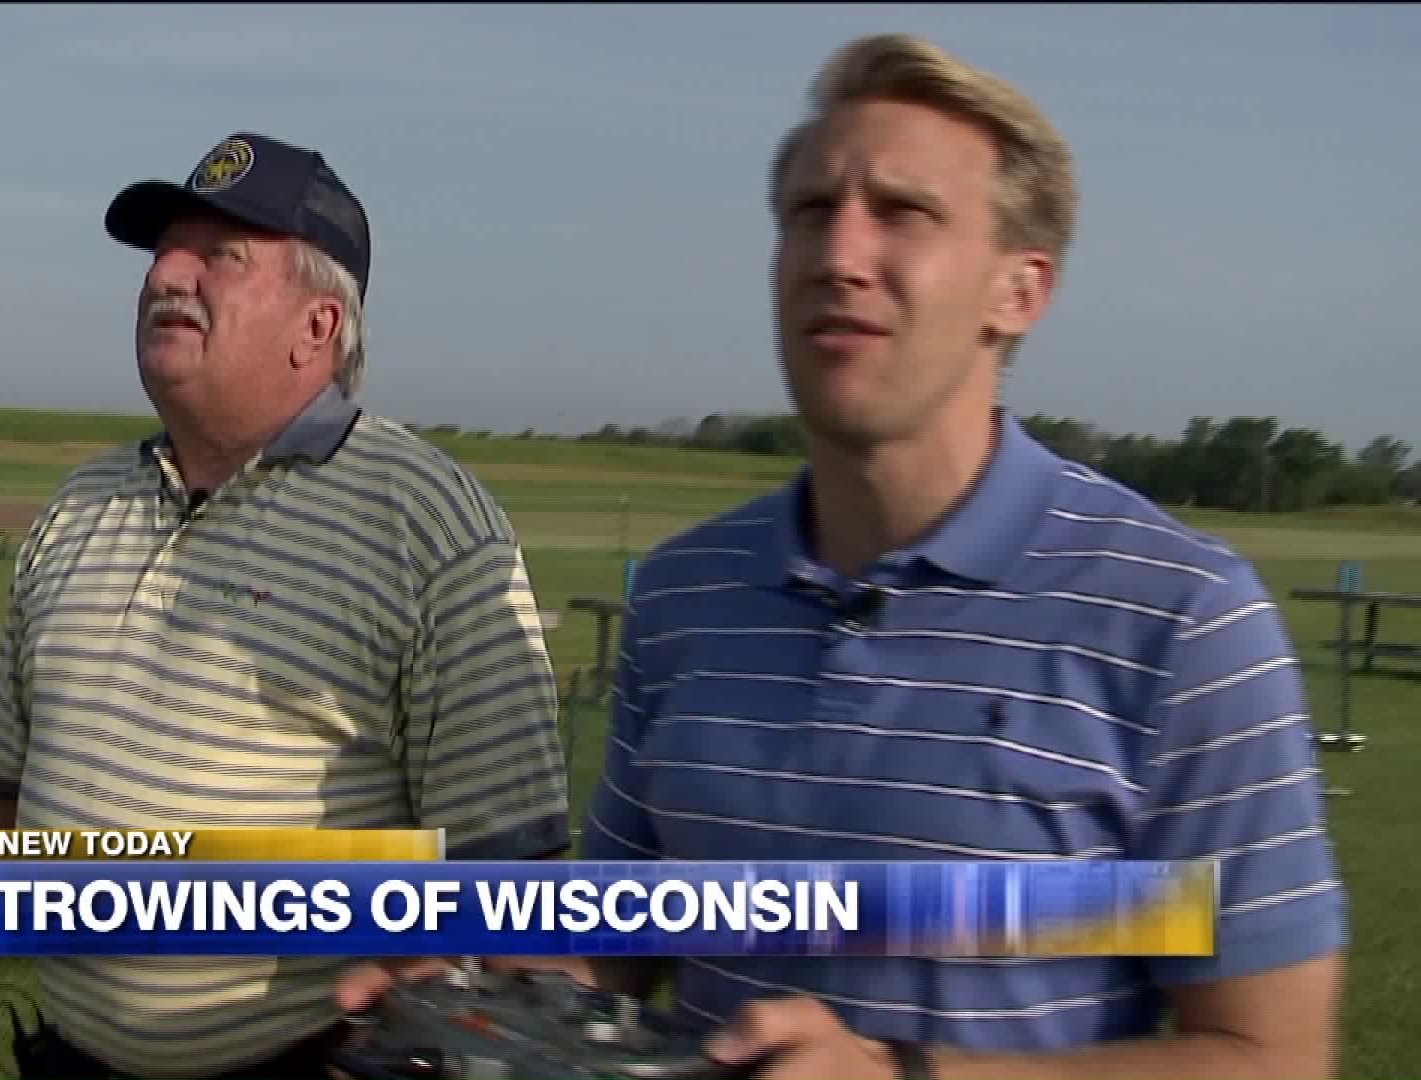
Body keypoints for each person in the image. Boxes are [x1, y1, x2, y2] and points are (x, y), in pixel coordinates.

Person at [341, 31, 1347, 1080]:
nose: (839, 255)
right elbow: (619, 945)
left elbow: (1271, 1056)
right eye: (811, 211)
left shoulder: (1185, 618)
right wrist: (475, 995)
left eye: (902, 212)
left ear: (1019, 290)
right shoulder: (688, 593)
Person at [0, 132, 570, 1080]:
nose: (166, 274)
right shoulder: (79, 504)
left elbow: (513, 889)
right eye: (165, 251)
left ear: (318, 325)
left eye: (220, 254)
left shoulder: (428, 525)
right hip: (68, 1058)